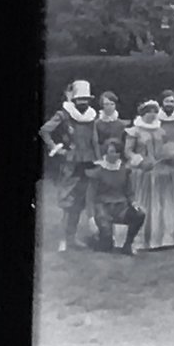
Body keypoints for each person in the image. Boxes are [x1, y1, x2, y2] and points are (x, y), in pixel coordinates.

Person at [40, 79, 99, 252]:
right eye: (80, 99)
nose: (83, 103)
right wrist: (56, 148)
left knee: (81, 203)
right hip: (70, 163)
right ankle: (63, 241)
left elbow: (94, 139)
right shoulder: (64, 114)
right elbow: (45, 130)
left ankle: (72, 238)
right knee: (67, 203)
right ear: (73, 100)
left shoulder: (91, 116)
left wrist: (98, 159)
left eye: (86, 99)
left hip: (87, 162)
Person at [124, 100, 174, 250]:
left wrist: (171, 155)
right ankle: (141, 238)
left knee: (163, 204)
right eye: (148, 111)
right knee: (144, 203)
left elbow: (164, 148)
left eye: (154, 112)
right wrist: (139, 160)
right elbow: (128, 151)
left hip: (161, 169)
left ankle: (164, 238)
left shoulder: (160, 131)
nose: (152, 114)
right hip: (143, 170)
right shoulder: (134, 131)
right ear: (142, 113)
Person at [84, 138, 145, 255]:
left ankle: (128, 245)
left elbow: (129, 192)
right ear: (105, 153)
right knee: (106, 246)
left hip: (120, 207)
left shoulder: (124, 170)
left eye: (117, 152)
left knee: (139, 214)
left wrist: (134, 203)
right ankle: (98, 239)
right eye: (111, 151)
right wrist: (91, 218)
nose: (114, 155)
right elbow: (90, 197)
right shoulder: (98, 172)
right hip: (103, 208)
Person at [92, 91, 130, 158]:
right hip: (102, 156)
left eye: (112, 104)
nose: (109, 107)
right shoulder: (96, 124)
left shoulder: (122, 124)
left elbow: (125, 144)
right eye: (106, 104)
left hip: (118, 157)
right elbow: (95, 143)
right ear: (102, 105)